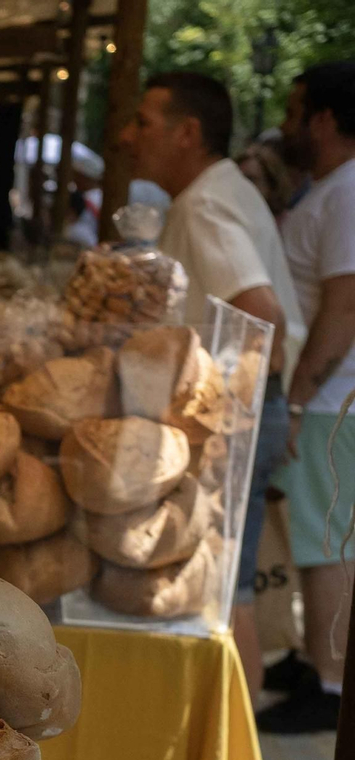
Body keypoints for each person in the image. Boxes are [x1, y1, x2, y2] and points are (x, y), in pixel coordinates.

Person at [119, 71, 306, 701]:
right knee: (225, 584)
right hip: (245, 412)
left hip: (231, 417)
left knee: (226, 590)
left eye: (143, 122)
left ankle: (236, 731)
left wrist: (216, 421)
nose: (128, 136)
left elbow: (263, 316)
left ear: (188, 133)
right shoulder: (216, 191)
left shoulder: (204, 204)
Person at [259, 62, 355, 732]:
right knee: (310, 536)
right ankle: (309, 657)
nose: (286, 124)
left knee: (327, 543)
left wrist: (296, 400)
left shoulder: (348, 192)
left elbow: (345, 307)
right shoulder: (329, 189)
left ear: (323, 119)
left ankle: (332, 684)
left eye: (295, 111)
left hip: (328, 402)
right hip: (319, 400)